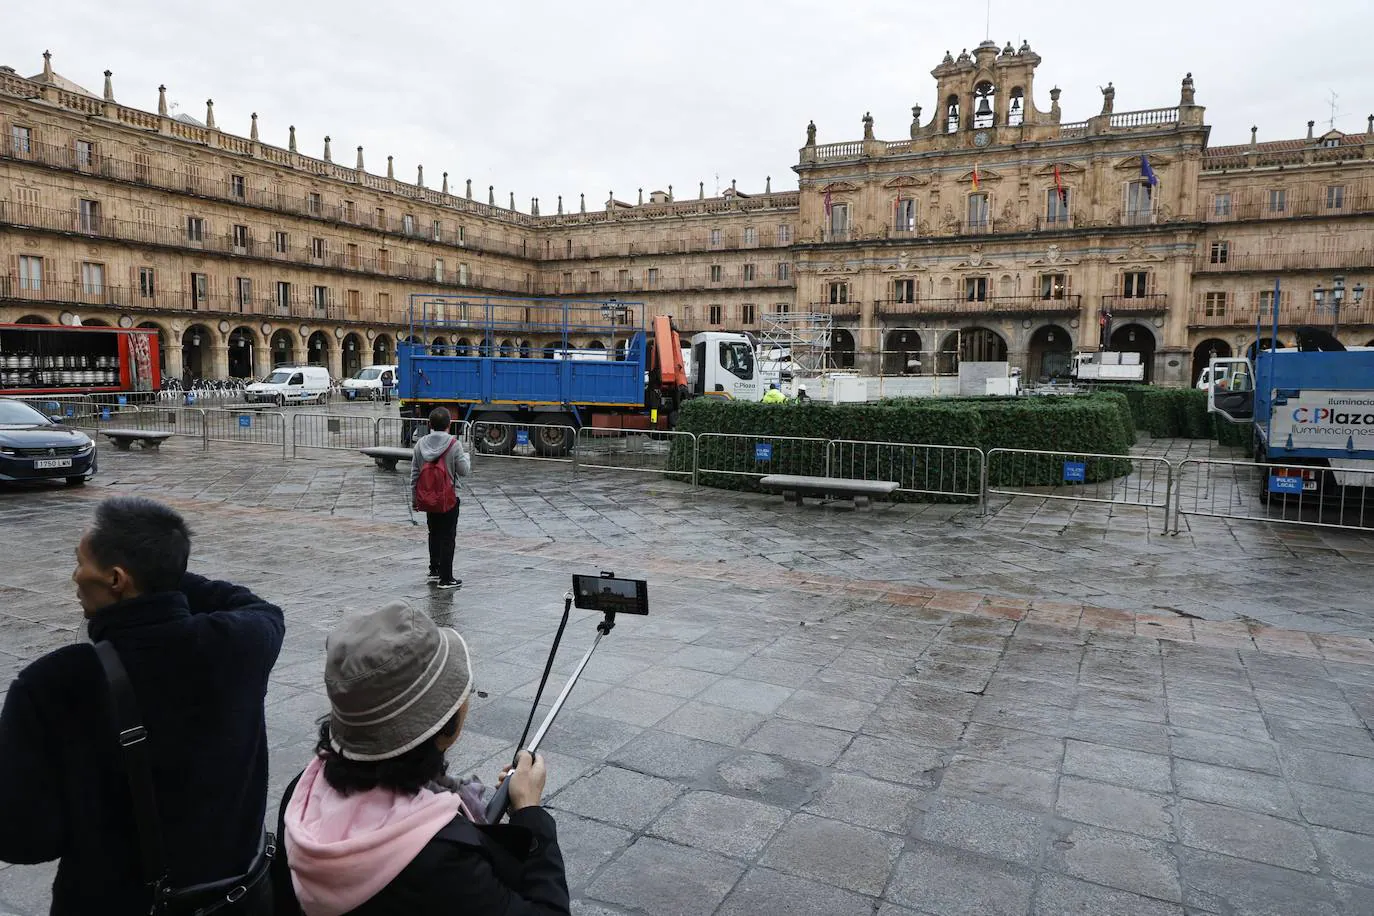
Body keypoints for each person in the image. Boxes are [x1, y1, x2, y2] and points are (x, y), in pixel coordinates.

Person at [0, 496, 285, 914]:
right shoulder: (241, 642)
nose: (75, 575)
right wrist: (161, 572)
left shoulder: (51, 683)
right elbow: (255, 605)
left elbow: (22, 839)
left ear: (116, 579)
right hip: (235, 898)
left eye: (79, 562)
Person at [271, 601, 570, 916]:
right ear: (443, 727)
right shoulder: (440, 857)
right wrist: (531, 814)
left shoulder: (303, 794)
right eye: (458, 691)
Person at [410, 406, 471, 590]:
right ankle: (447, 578)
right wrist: (466, 457)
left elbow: (414, 474)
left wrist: (415, 500)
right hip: (448, 497)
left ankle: (434, 569)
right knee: (448, 536)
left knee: (433, 533)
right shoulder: (454, 444)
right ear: (449, 424)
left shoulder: (420, 444)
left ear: (429, 424)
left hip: (428, 497)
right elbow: (464, 471)